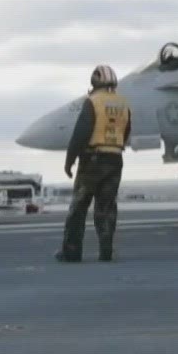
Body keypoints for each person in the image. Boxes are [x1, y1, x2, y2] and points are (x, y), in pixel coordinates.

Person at [58, 64, 131, 263]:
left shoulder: (92, 102)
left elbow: (80, 133)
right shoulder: (123, 103)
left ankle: (71, 253)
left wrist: (69, 161)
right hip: (115, 159)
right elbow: (126, 132)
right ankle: (106, 251)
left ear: (94, 82)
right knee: (106, 207)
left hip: (92, 160)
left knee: (79, 207)